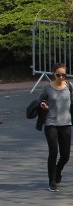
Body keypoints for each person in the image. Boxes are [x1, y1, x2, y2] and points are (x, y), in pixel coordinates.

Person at [39, 63, 72, 192]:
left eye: (64, 75)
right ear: (53, 74)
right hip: (51, 123)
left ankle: (58, 170)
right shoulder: (47, 87)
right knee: (53, 152)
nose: (61, 77)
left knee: (65, 156)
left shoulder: (69, 87)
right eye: (58, 74)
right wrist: (43, 104)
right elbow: (40, 100)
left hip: (66, 124)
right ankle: (52, 181)